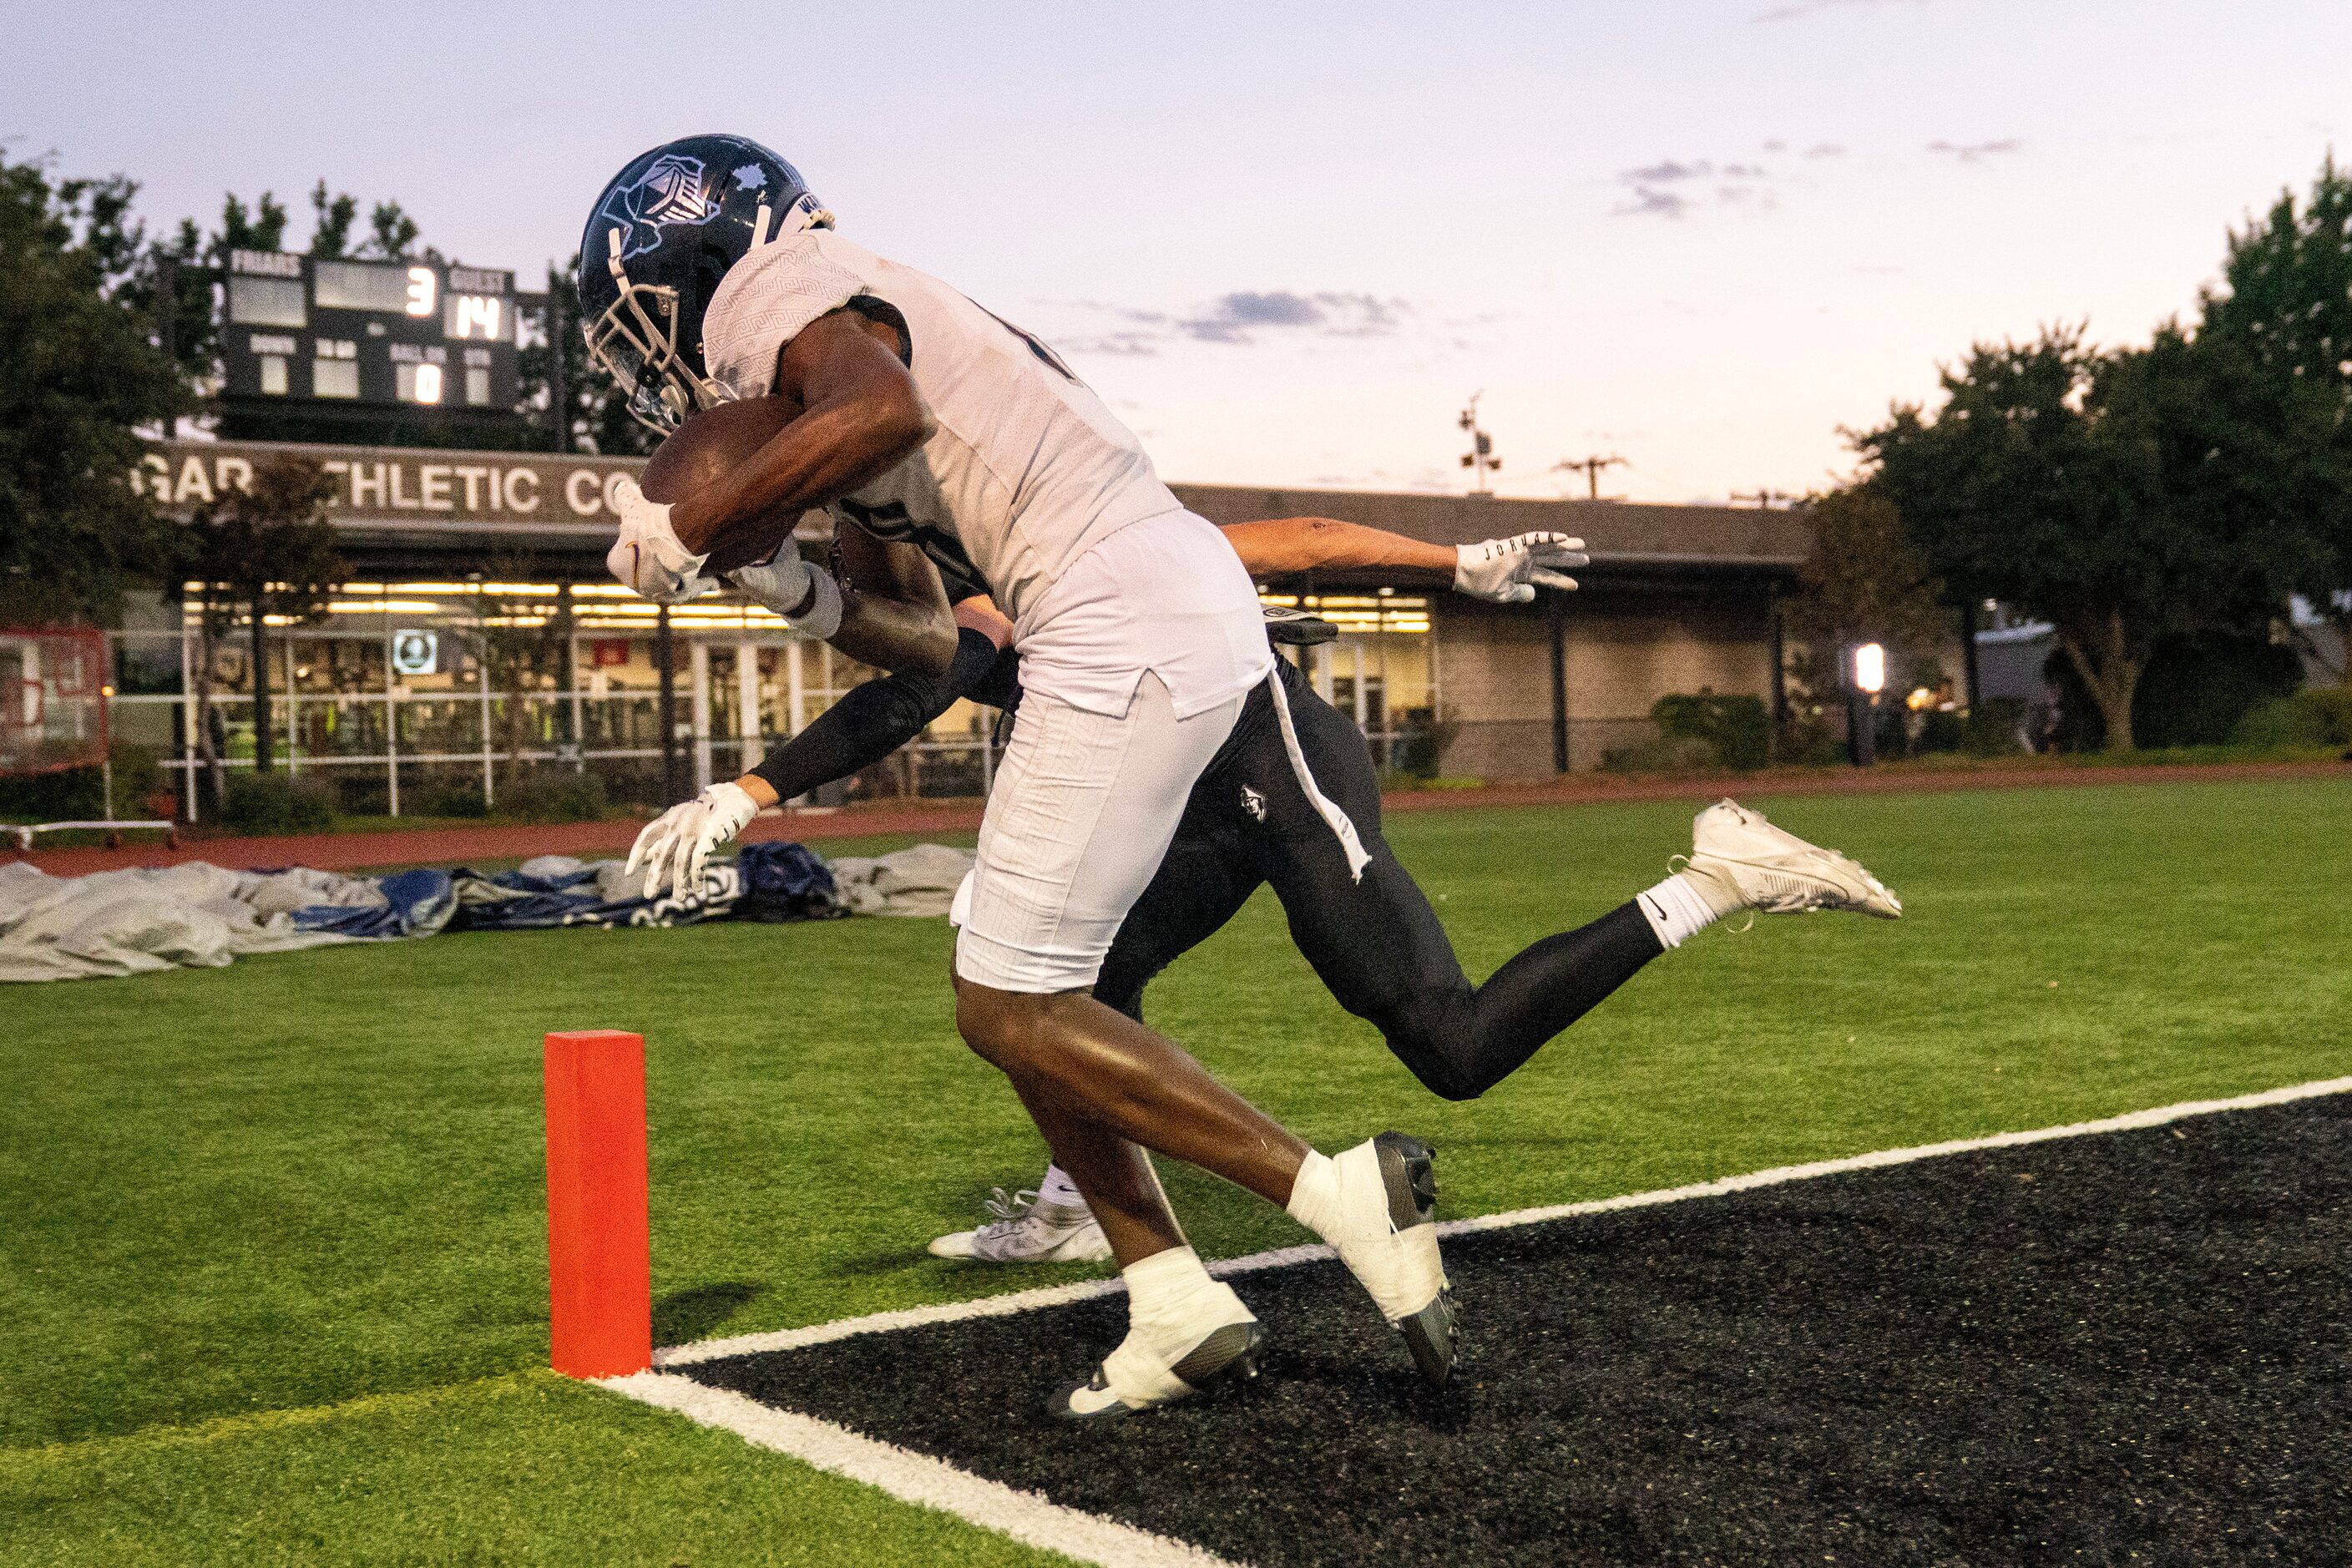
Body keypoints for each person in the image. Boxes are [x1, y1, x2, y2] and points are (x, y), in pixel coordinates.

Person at [580, 134, 1550, 1415]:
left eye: (637, 311)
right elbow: (924, 640)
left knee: (1006, 1002)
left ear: (687, 256)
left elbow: (884, 412)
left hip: (1116, 599)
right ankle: (1170, 1295)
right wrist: (785, 586)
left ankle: (1339, 1195)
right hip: (1137, 595)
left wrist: (690, 523)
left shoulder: (781, 290)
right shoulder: (839, 338)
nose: (648, 351)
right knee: (1025, 965)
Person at [632, 518, 1905, 1272]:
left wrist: (1451, 559)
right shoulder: (1016, 538)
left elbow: (1278, 547)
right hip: (1179, 798)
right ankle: (1081, 1206)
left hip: (1270, 770)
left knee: (1449, 1046)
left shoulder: (1035, 557)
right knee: (1047, 983)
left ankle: (1714, 870)